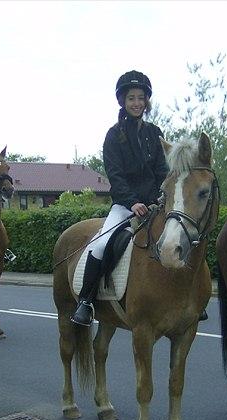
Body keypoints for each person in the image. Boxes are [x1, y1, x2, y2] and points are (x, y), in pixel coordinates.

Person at [70, 70, 169, 326]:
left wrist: (159, 198)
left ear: (146, 101)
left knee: (179, 234)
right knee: (100, 245)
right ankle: (86, 301)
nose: (136, 103)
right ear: (123, 102)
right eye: (131, 98)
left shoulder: (154, 132)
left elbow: (162, 170)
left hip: (155, 205)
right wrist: (132, 201)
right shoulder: (114, 135)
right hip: (126, 206)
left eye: (140, 98)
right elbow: (115, 174)